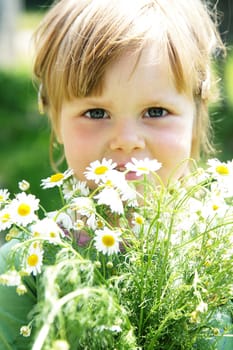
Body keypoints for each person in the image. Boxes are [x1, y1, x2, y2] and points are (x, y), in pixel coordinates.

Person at [0, 0, 232, 349]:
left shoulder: (218, 260)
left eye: (156, 111)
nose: (125, 140)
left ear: (196, 122)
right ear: (56, 122)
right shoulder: (25, 265)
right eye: (96, 112)